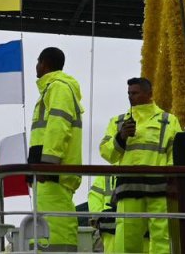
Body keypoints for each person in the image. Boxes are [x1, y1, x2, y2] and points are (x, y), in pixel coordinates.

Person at [99, 77, 181, 254]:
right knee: (127, 240)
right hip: (129, 189)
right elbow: (106, 153)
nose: (130, 97)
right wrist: (121, 137)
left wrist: (172, 182)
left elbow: (175, 153)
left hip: (160, 189)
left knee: (162, 239)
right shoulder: (118, 122)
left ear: (149, 94)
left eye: (135, 93)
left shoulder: (169, 121)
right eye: (129, 93)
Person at [27, 47, 84, 252]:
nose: (36, 66)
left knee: (55, 225)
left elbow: (58, 126)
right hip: (47, 172)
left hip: (52, 172)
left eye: (38, 62)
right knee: (46, 223)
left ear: (44, 64)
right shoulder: (53, 88)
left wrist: (47, 164)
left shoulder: (58, 87)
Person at [85, 174, 116, 251]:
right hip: (107, 230)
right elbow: (94, 205)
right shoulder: (103, 178)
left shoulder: (103, 178)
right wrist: (104, 219)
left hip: (110, 229)